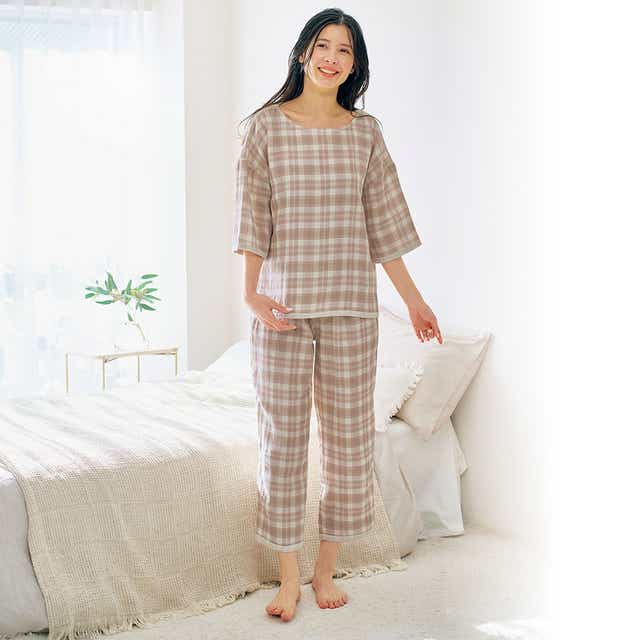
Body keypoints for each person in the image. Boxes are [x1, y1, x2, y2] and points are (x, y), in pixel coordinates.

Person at [232, 8, 442, 622]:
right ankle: (288, 578)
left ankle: (325, 570)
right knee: (283, 442)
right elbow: (252, 217)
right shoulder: (264, 128)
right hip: (282, 309)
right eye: (323, 46)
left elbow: (385, 226)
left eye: (344, 51)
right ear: (303, 52)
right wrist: (250, 293)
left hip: (351, 307)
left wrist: (414, 299)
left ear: (355, 65)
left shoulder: (365, 133)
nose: (332, 58)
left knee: (349, 442)